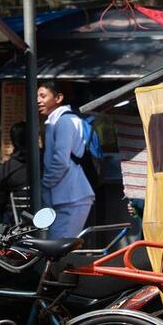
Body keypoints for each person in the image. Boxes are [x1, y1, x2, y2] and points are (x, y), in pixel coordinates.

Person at [37, 81, 94, 239]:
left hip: (72, 196)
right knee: (58, 245)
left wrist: (45, 184)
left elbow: (61, 161)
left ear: (58, 98)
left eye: (43, 96)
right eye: (37, 97)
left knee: (59, 246)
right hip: (67, 196)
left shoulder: (65, 121)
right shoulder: (57, 120)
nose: (38, 101)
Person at [0, 121, 31, 225]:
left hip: (16, 220)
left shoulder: (7, 168)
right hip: (43, 217)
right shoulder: (44, 162)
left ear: (13, 141)